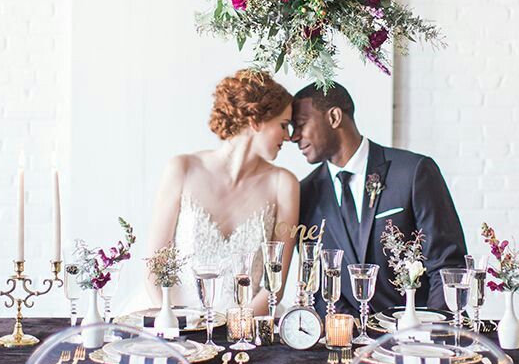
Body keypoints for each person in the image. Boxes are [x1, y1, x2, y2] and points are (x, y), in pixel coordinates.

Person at [291, 82, 466, 316]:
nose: (294, 137)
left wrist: (429, 334)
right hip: (347, 342)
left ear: (334, 117)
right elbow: (316, 282)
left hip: (417, 335)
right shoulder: (304, 193)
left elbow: (447, 265)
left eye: (301, 124)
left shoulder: (413, 172)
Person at [145, 70, 299, 314]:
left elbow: (274, 286)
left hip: (247, 330)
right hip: (178, 325)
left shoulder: (284, 185)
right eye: (284, 125)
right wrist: (176, 324)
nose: (289, 137)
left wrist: (235, 326)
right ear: (255, 120)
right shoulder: (182, 169)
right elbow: (155, 268)